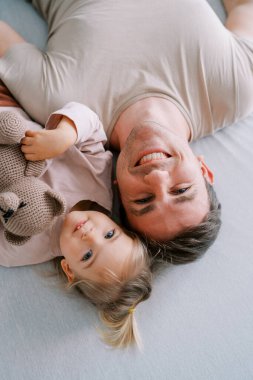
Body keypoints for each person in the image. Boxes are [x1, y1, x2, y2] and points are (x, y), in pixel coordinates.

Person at [0, 0, 252, 261]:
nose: (156, 178)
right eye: (181, 190)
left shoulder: (61, 109)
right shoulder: (236, 90)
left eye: (143, 200)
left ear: (118, 188)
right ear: (203, 170)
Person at [0, 88, 152, 348]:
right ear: (121, 226)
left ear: (69, 270)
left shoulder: (25, 249)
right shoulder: (98, 182)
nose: (89, 234)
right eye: (109, 235)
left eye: (87, 256)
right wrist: (63, 136)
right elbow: (90, 123)